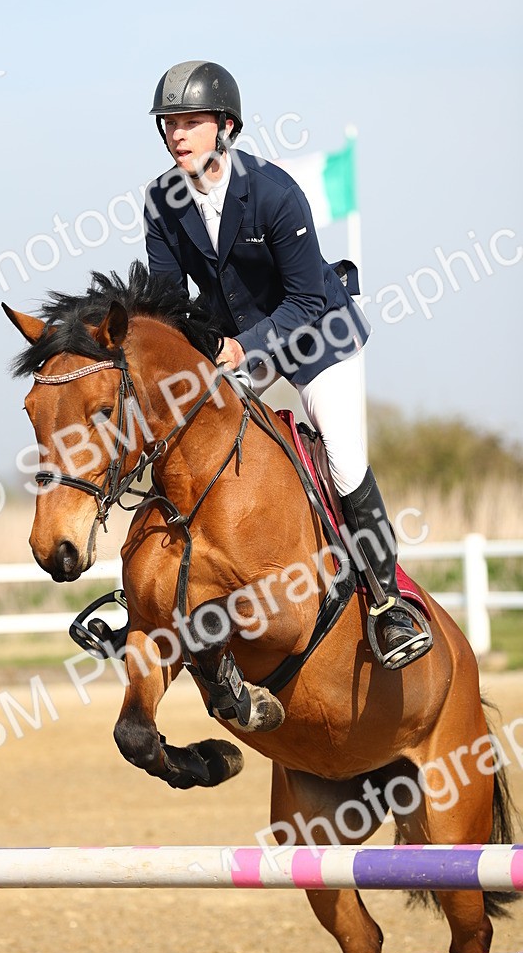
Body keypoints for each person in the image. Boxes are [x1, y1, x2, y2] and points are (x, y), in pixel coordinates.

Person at [143, 59, 431, 669]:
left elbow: (303, 299)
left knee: (343, 459)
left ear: (225, 126)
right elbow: (167, 304)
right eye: (169, 123)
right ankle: (155, 591)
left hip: (318, 333)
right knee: (184, 432)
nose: (177, 134)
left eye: (190, 122)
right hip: (239, 339)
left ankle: (389, 603)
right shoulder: (162, 202)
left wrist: (242, 349)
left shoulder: (273, 193)